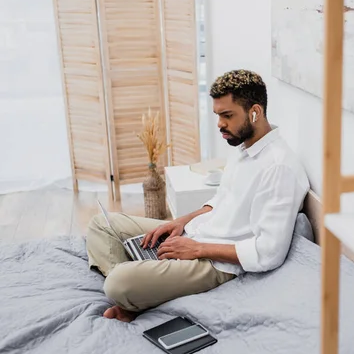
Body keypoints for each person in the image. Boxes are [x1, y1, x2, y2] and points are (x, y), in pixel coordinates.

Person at [86, 69, 310, 322]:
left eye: (227, 116)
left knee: (118, 282)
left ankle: (134, 294)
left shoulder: (280, 168)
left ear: (255, 112)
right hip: (197, 234)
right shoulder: (242, 147)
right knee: (101, 224)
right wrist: (182, 221)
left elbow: (268, 252)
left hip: (217, 264)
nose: (220, 125)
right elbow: (221, 200)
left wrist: (197, 249)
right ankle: (142, 291)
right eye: (217, 115)